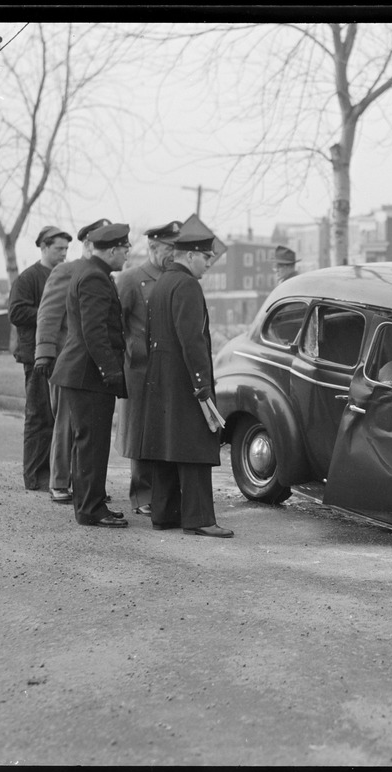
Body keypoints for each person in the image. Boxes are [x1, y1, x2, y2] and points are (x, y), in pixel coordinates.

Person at [132, 218, 234, 538]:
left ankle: (164, 514)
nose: (208, 266)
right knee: (195, 449)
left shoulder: (162, 282)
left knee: (167, 448)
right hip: (186, 382)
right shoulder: (188, 285)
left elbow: (151, 335)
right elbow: (193, 340)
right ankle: (200, 518)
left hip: (161, 380)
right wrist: (203, 385)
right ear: (190, 255)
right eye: (206, 258)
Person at [50, 223, 131, 528]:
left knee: (87, 442)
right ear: (112, 250)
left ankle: (89, 505)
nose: (126, 255)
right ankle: (91, 509)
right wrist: (111, 372)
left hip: (81, 372)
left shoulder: (89, 271)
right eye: (125, 250)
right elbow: (94, 332)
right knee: (92, 444)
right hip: (88, 375)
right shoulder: (95, 277)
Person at [34, 218, 112, 503]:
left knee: (86, 428)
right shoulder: (67, 271)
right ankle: (59, 482)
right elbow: (50, 313)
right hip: (69, 361)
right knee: (66, 423)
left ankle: (83, 485)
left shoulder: (102, 274)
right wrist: (44, 352)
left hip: (91, 364)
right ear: (87, 244)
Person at [114, 220, 182, 516]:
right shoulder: (130, 279)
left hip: (168, 369)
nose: (173, 254)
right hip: (140, 369)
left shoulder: (177, 278)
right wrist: (131, 351)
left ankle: (165, 495)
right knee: (140, 434)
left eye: (177, 249)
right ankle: (142, 495)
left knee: (164, 431)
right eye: (169, 248)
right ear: (153, 247)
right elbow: (115, 325)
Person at [8, 225, 72, 491]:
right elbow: (16, 312)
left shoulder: (64, 275)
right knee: (38, 416)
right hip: (35, 357)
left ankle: (55, 475)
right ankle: (35, 477)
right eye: (59, 249)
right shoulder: (28, 278)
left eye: (67, 249)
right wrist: (51, 312)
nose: (64, 254)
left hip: (60, 354)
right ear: (44, 247)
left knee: (57, 418)